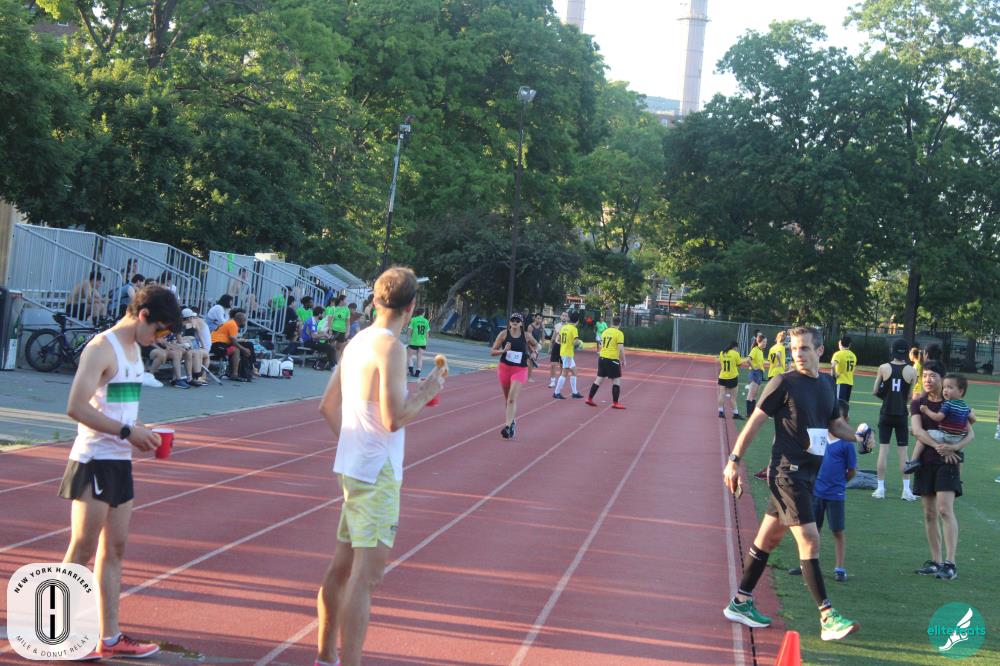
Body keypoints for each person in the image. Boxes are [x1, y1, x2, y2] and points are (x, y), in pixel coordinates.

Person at [313, 266, 444, 666]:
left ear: (374, 300)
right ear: (412, 307)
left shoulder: (357, 342)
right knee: (365, 577)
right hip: (377, 471)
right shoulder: (391, 347)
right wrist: (427, 391)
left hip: (354, 465)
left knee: (342, 566)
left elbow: (327, 406)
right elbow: (393, 418)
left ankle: (326, 656)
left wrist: (353, 443)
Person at [59, 285, 181, 660]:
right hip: (94, 459)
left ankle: (110, 637)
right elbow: (76, 407)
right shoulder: (101, 348)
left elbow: (119, 408)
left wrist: (141, 431)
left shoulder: (133, 352)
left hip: (119, 461)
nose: (158, 339)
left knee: (115, 549)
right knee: (81, 549)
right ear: (143, 316)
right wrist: (128, 432)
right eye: (159, 330)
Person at [722, 326, 861, 641]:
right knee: (810, 539)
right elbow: (755, 422)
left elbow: (835, 424)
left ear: (820, 351)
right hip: (787, 473)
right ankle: (827, 616)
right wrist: (734, 460)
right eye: (794, 349)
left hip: (809, 476)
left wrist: (858, 437)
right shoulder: (783, 382)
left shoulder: (827, 384)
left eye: (804, 348)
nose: (798, 354)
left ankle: (740, 601)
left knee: (768, 540)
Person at [909, 361, 973, 581]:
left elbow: (970, 433)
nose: (928, 380)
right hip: (926, 462)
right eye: (925, 375)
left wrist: (953, 448)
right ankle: (935, 561)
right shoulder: (918, 403)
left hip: (949, 462)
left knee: (945, 510)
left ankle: (950, 563)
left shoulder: (953, 402)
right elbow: (917, 431)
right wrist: (939, 447)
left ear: (943, 379)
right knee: (929, 513)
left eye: (933, 376)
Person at [788, 399, 857, 582]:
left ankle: (839, 568)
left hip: (835, 495)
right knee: (812, 530)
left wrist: (840, 483)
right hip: (816, 492)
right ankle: (807, 564)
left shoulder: (846, 444)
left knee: (837, 531)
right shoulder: (819, 437)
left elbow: (851, 471)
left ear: (846, 420)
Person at [871, 338, 918, 501]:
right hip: (901, 414)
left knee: (883, 450)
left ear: (893, 350)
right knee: (903, 453)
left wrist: (887, 398)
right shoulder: (912, 371)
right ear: (907, 352)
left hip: (886, 413)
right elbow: (910, 396)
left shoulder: (883, 367)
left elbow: (875, 391)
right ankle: (906, 490)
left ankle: (880, 489)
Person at [905, 373, 975, 473]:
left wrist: (926, 410)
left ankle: (914, 460)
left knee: (925, 434)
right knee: (959, 454)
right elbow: (973, 419)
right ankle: (958, 476)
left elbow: (938, 417)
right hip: (958, 438)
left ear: (960, 391)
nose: (945, 390)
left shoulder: (947, 404)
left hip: (945, 436)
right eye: (944, 387)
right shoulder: (965, 406)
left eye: (950, 387)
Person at [490, 312, 538, 438]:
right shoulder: (503, 334)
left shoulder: (526, 336)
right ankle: (512, 423)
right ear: (509, 322)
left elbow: (536, 345)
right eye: (513, 320)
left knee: (512, 398)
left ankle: (507, 427)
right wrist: (503, 350)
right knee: (507, 399)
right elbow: (492, 352)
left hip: (520, 369)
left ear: (521, 323)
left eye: (517, 320)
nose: (515, 322)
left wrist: (535, 352)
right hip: (504, 369)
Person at [585, 315, 626, 409]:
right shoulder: (619, 333)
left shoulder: (605, 332)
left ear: (611, 322)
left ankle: (589, 398)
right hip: (612, 359)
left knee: (598, 379)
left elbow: (601, 345)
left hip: (602, 358)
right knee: (616, 380)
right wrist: (624, 360)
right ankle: (615, 403)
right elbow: (620, 348)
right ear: (619, 323)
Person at [210, 309, 252, 382]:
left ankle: (237, 372)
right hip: (217, 345)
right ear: (239, 320)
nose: (245, 323)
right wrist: (244, 350)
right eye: (244, 320)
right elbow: (234, 342)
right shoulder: (233, 325)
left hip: (217, 344)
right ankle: (234, 374)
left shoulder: (231, 322)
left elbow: (231, 339)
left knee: (239, 347)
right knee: (236, 349)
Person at [553, 311, 583, 399]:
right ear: (577, 321)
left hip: (563, 351)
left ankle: (574, 392)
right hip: (568, 353)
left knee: (574, 371)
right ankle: (556, 392)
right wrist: (579, 343)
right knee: (565, 372)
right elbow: (575, 341)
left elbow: (558, 340)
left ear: (569, 319)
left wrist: (566, 343)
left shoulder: (564, 327)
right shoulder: (574, 329)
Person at [180, 308, 210, 386]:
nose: (193, 318)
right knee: (196, 353)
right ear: (188, 317)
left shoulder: (194, 324)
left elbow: (200, 336)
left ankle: (199, 376)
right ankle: (195, 377)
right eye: (191, 317)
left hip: (193, 344)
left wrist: (203, 346)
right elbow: (179, 338)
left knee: (200, 353)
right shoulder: (180, 325)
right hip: (185, 344)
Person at [303, 306, 337, 370]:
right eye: (322, 314)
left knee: (329, 347)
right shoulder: (312, 322)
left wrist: (326, 337)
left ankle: (331, 365)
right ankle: (333, 366)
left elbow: (315, 334)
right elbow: (314, 336)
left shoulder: (313, 320)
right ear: (319, 314)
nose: (323, 316)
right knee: (330, 348)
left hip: (311, 341)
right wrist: (324, 334)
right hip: (308, 342)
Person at [718, 340, 744, 419]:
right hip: (732, 377)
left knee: (721, 394)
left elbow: (721, 364)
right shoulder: (735, 353)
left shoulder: (722, 353)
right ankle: (735, 413)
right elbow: (739, 364)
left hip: (722, 376)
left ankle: (720, 412)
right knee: (733, 397)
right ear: (735, 347)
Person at [745, 334, 768, 416]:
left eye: (766, 342)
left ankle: (752, 413)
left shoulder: (760, 351)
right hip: (755, 373)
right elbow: (748, 359)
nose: (765, 343)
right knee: (751, 395)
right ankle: (749, 413)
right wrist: (754, 367)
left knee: (755, 395)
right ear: (759, 342)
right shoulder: (755, 349)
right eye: (764, 342)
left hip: (759, 374)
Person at [830, 336, 857, 402]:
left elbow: (833, 366)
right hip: (850, 382)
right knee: (845, 404)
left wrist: (834, 375)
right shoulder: (853, 355)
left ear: (840, 343)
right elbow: (854, 369)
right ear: (850, 344)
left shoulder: (838, 354)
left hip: (841, 382)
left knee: (838, 403)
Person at [406, 307, 430, 377]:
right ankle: (417, 372)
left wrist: (408, 338)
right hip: (422, 342)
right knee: (420, 357)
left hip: (414, 341)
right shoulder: (426, 321)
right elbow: (427, 333)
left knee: (409, 356)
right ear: (423, 313)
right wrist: (426, 342)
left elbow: (409, 330)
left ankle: (411, 371)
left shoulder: (414, 320)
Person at [548, 311, 568, 389]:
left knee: (562, 366)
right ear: (561, 317)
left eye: (566, 316)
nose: (564, 317)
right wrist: (550, 347)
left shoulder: (569, 327)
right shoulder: (557, 325)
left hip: (564, 347)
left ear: (567, 318)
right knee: (553, 364)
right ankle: (552, 381)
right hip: (556, 346)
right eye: (563, 315)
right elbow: (553, 337)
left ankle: (560, 381)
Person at [526, 313, 545, 382]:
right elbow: (528, 338)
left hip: (537, 346)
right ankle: (529, 377)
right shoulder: (530, 326)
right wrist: (531, 348)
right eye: (538, 318)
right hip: (529, 345)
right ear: (535, 318)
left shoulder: (542, 326)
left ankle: (528, 375)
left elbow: (543, 335)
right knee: (530, 362)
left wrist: (543, 343)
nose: (539, 320)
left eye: (540, 319)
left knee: (532, 362)